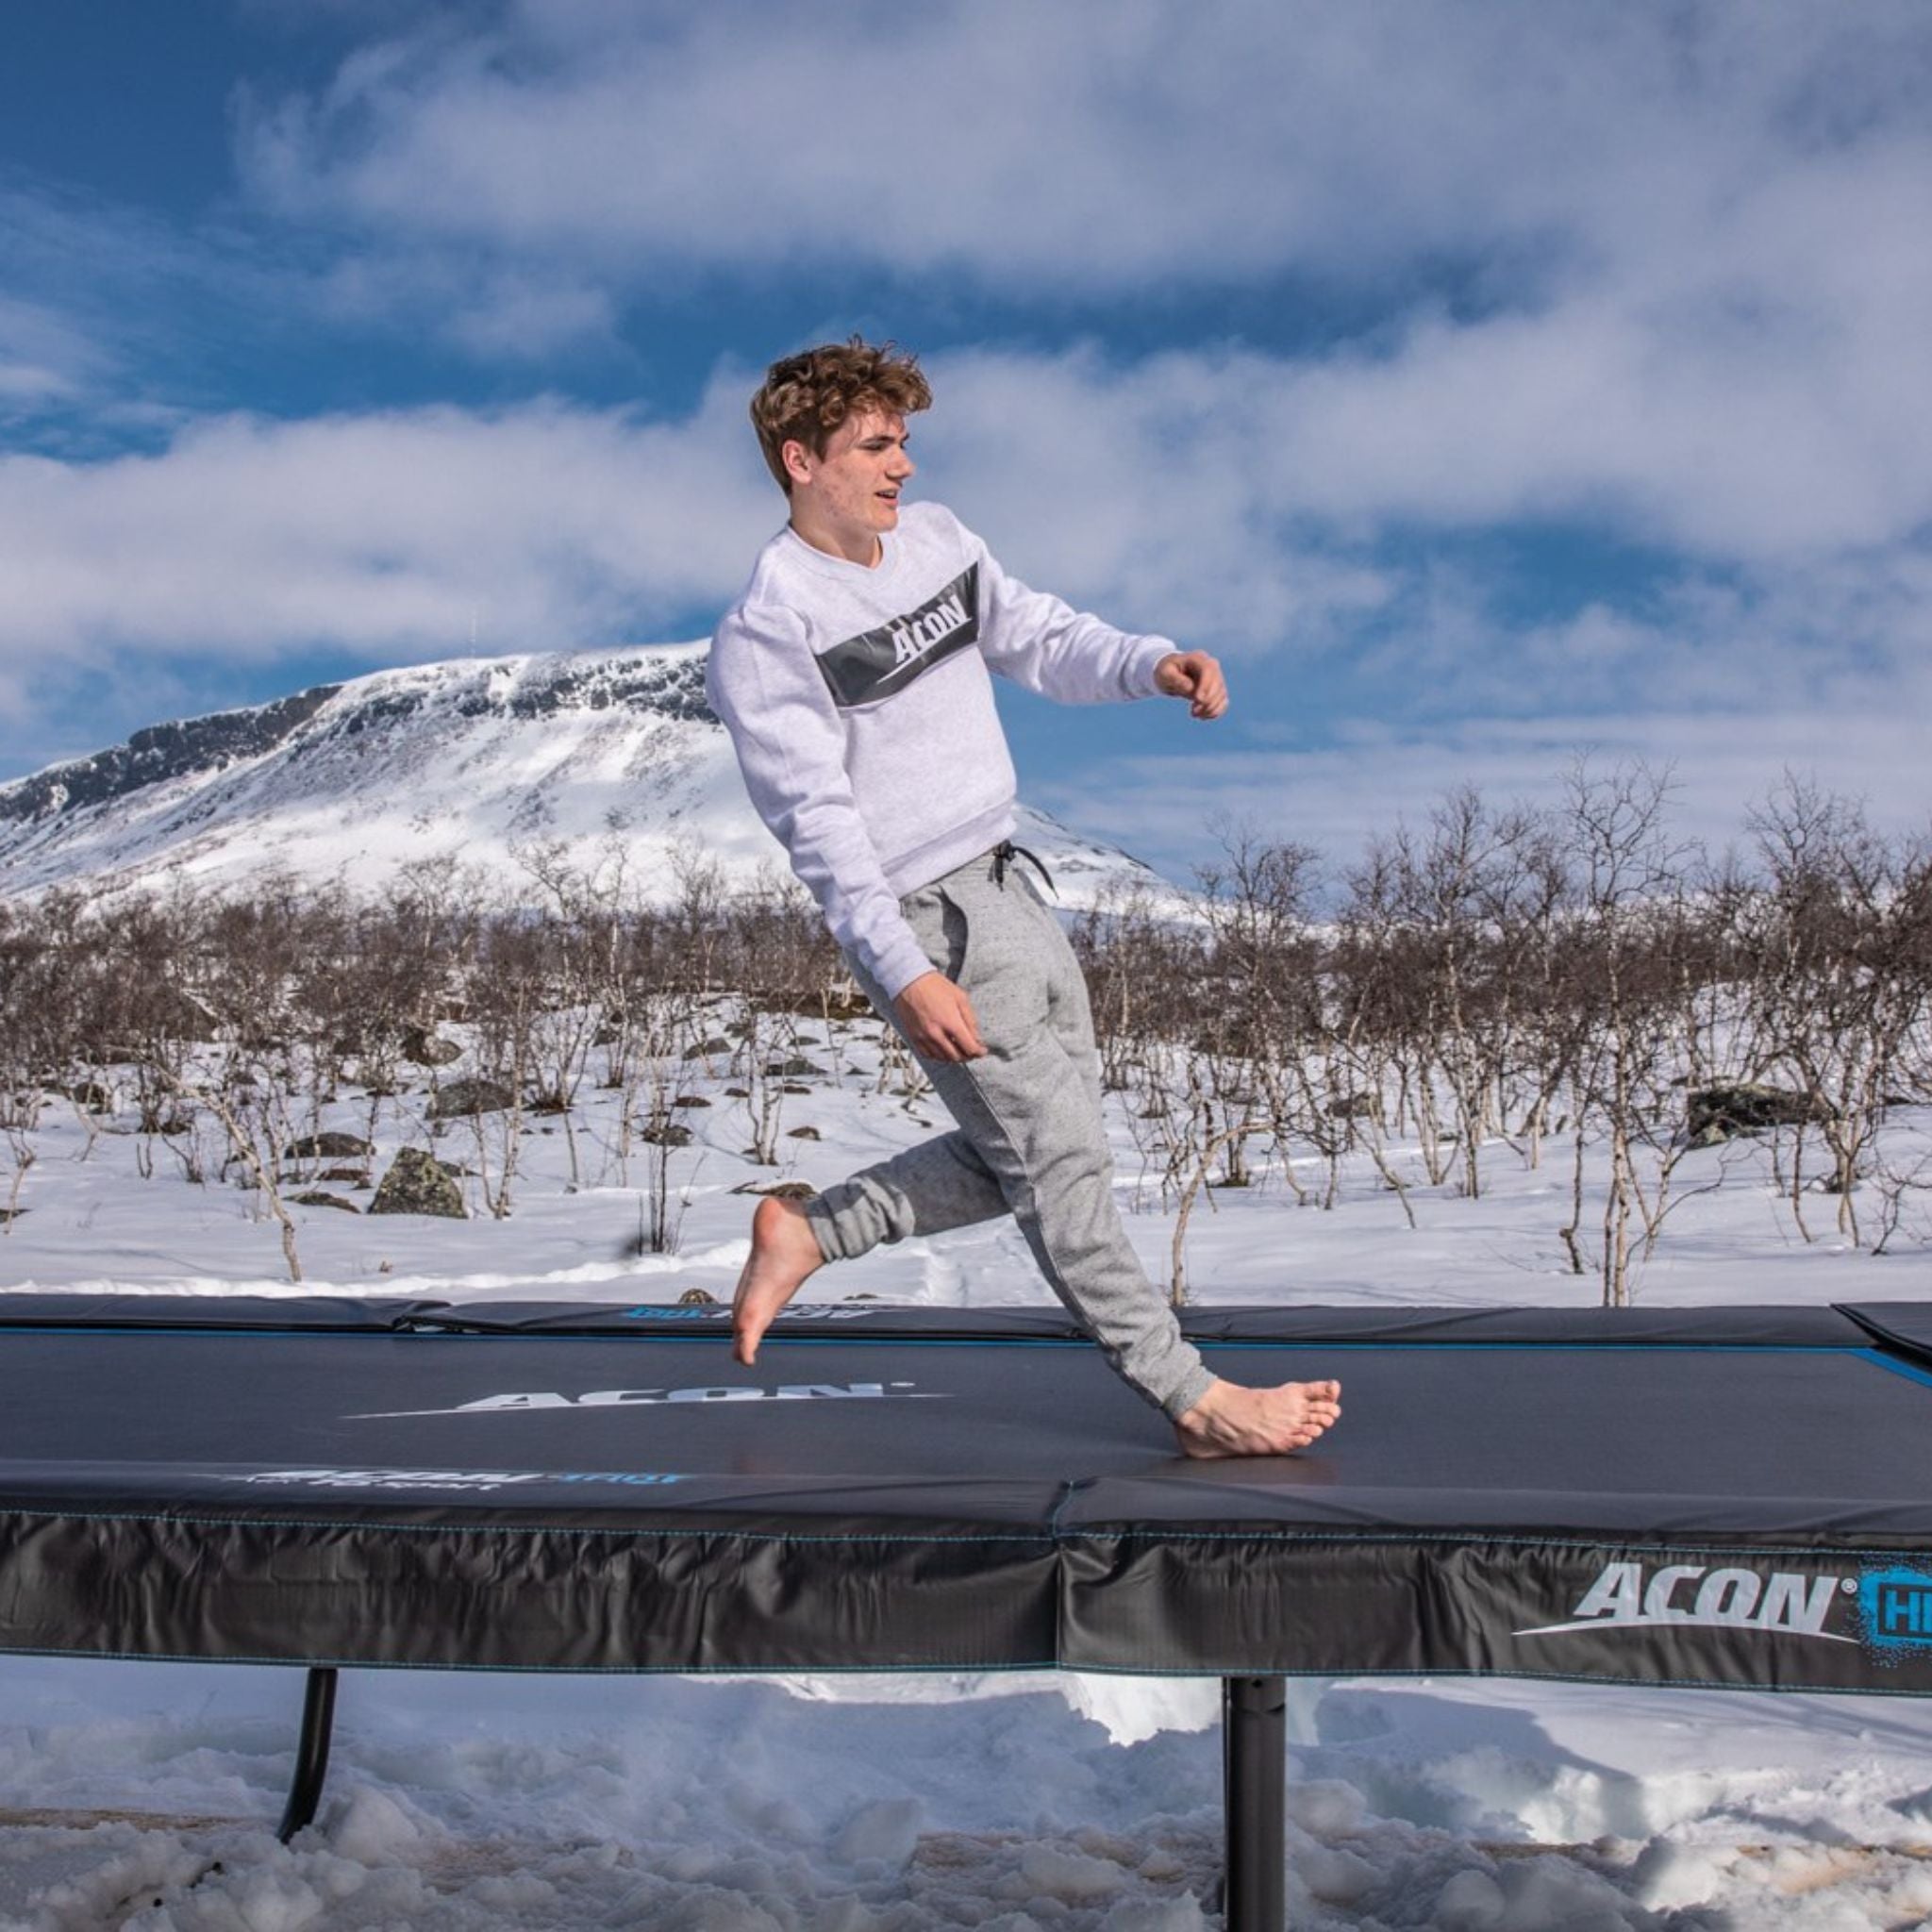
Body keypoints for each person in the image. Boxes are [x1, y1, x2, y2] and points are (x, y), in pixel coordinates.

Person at [704, 338, 1341, 1457]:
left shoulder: (939, 541)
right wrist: (902, 970)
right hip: (926, 915)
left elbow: (1039, 636)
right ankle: (1190, 1395)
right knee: (1055, 1168)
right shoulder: (770, 626)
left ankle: (806, 1231)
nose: (901, 464)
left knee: (1054, 1148)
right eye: (874, 444)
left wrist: (1150, 662)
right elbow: (814, 822)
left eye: (904, 440)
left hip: (1010, 880)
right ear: (800, 459)